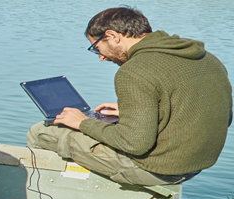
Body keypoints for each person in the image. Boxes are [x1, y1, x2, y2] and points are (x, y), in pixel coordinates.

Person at [27, 6, 232, 186]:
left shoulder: (134, 71)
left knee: (41, 132)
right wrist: (135, 111)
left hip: (158, 169)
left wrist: (82, 123)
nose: (101, 57)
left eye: (97, 48)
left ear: (112, 36)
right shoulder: (206, 58)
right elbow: (224, 116)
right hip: (196, 163)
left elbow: (134, 144)